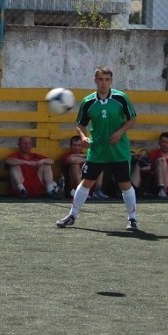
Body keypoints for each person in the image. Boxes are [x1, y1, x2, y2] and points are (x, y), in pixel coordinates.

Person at [57, 67, 139, 230]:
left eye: (107, 80)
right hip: (97, 150)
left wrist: (119, 133)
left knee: (125, 183)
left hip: (118, 149)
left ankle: (132, 219)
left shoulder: (121, 98)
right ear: (95, 80)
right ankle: (72, 215)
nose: (104, 83)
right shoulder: (88, 101)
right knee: (86, 182)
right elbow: (80, 124)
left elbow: (132, 119)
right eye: (101, 79)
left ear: (111, 81)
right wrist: (83, 137)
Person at [59, 135, 106, 199]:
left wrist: (82, 156)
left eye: (79, 145)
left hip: (88, 182)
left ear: (82, 146)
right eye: (74, 145)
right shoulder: (66, 155)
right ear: (70, 146)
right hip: (73, 187)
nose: (76, 147)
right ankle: (81, 191)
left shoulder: (86, 155)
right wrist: (89, 159)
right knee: (75, 166)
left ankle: (97, 191)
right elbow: (72, 160)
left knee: (98, 166)